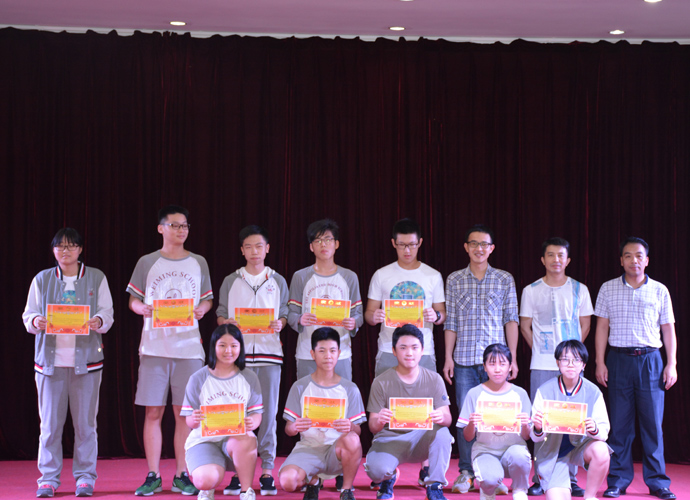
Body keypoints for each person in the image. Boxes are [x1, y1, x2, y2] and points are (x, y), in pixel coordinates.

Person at [127, 205, 214, 496]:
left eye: (185, 225)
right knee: (153, 411)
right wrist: (141, 308)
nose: (181, 230)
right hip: (154, 347)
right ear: (161, 228)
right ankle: (152, 474)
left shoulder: (198, 262)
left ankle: (181, 474)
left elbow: (207, 300)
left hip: (188, 349)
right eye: (175, 225)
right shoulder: (147, 261)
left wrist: (203, 309)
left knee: (183, 414)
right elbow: (133, 300)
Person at [23, 228, 114, 498]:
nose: (66, 251)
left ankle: (85, 478)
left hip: (87, 365)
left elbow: (107, 313)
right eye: (60, 246)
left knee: (86, 426)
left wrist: (98, 321)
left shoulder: (96, 277)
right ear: (53, 250)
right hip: (50, 365)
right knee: (50, 427)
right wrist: (36, 321)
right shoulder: (42, 279)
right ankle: (48, 479)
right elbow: (28, 315)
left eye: (71, 246)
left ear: (80, 249)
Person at [594, 237, 677, 500]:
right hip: (618, 360)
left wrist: (672, 363)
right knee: (619, 425)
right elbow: (602, 327)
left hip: (651, 361)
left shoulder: (660, 290)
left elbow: (668, 329)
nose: (634, 260)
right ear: (621, 260)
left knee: (653, 425)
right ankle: (618, 480)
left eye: (639, 256)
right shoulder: (607, 288)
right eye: (628, 256)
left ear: (647, 260)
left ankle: (658, 482)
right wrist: (600, 362)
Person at [365, 218, 445, 488]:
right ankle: (387, 467)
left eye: (411, 245)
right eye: (401, 245)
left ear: (420, 243)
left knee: (426, 410)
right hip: (388, 351)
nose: (407, 250)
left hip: (424, 352)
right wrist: (375, 316)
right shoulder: (382, 274)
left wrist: (436, 315)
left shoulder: (432, 275)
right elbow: (369, 314)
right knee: (386, 411)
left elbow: (442, 314)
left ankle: (426, 468)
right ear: (393, 244)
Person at [443, 224, 519, 494]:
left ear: (492, 248)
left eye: (484, 244)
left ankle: (493, 473)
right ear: (466, 247)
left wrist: (512, 358)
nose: (479, 248)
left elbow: (511, 320)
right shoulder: (454, 279)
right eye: (473, 243)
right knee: (467, 419)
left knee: (496, 416)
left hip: (496, 364)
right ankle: (466, 472)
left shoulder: (504, 279)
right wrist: (448, 357)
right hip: (463, 360)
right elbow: (450, 322)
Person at [216, 225, 289, 496]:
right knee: (238, 415)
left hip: (270, 357)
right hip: (238, 359)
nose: (254, 251)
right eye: (248, 247)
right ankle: (238, 472)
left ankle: (267, 471)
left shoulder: (278, 280)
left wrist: (280, 323)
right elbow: (220, 313)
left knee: (268, 416)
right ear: (242, 250)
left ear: (267, 249)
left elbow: (285, 313)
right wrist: (226, 322)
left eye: (259, 246)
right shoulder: (230, 280)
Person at [519, 238, 593, 497]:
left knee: (570, 421)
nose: (556, 260)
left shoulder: (580, 289)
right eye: (550, 255)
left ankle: (570, 478)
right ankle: (541, 478)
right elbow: (525, 326)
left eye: (561, 255)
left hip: (572, 368)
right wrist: (542, 350)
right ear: (543, 259)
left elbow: (585, 324)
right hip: (541, 364)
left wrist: (569, 357)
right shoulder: (531, 290)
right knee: (542, 422)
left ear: (568, 260)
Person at [365, 324, 453, 500]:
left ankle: (434, 485)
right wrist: (380, 419)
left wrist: (441, 417)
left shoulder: (434, 379)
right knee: (375, 471)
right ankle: (388, 477)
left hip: (421, 439)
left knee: (443, 433)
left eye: (414, 347)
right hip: (390, 439)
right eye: (403, 348)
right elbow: (373, 426)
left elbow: (448, 418)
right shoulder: (381, 382)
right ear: (394, 351)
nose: (409, 353)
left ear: (422, 350)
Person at [279, 327, 366, 500]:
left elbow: (358, 431)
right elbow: (289, 429)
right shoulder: (300, 386)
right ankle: (313, 481)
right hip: (309, 448)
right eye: (322, 351)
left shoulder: (350, 388)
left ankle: (346, 490)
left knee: (352, 439)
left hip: (336, 451)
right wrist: (295, 426)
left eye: (332, 351)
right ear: (312, 354)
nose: (328, 356)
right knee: (287, 481)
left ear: (339, 353)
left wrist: (350, 426)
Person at [181, 324, 263, 500]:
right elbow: (189, 421)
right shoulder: (198, 378)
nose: (228, 351)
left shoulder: (249, 377)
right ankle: (207, 488)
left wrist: (252, 422)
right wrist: (194, 419)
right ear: (213, 346)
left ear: (240, 348)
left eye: (234, 345)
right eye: (222, 345)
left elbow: (256, 414)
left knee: (248, 437)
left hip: (235, 440)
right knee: (204, 480)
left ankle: (246, 491)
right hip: (204, 441)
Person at [531, 340, 611, 500]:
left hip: (581, 446)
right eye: (565, 359)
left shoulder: (593, 392)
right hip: (554, 452)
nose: (570, 364)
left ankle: (590, 497)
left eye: (576, 360)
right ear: (557, 363)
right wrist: (538, 428)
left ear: (583, 365)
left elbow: (604, 432)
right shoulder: (544, 391)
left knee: (602, 450)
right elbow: (535, 438)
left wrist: (594, 429)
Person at [288, 219, 363, 380]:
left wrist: (353, 322)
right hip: (308, 352)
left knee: (341, 394)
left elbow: (358, 315)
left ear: (336, 244)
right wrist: (300, 319)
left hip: (340, 353)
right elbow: (291, 313)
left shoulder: (349, 277)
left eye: (328, 239)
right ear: (311, 247)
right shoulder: (300, 277)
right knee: (307, 395)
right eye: (318, 240)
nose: (323, 244)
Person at [457, 344, 531, 500]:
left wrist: (525, 425)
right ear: (484, 367)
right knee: (490, 479)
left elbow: (526, 436)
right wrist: (471, 423)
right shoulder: (474, 393)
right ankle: (488, 490)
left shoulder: (520, 394)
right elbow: (468, 437)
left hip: (512, 450)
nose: (497, 369)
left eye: (502, 364)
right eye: (492, 364)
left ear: (510, 367)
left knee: (520, 456)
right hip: (485, 451)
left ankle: (520, 490)